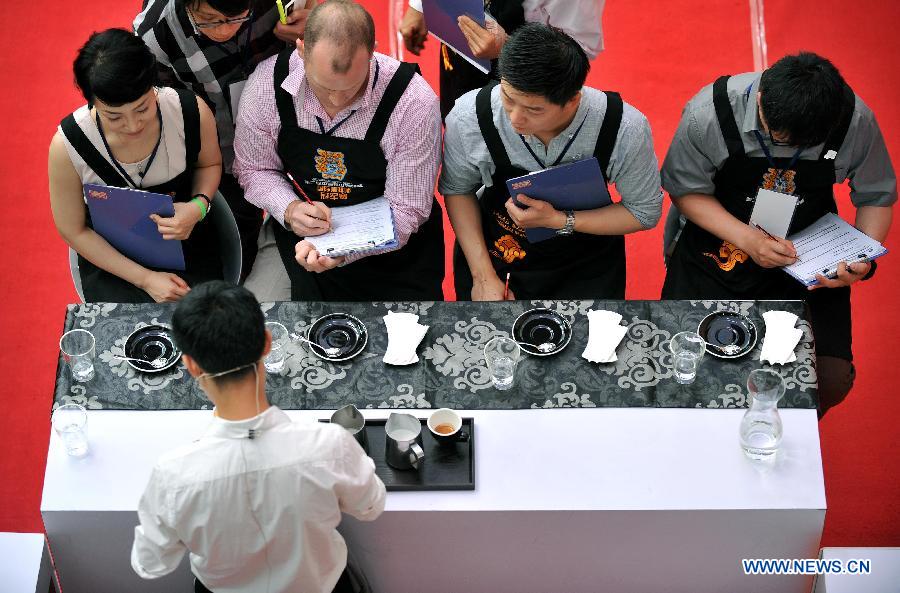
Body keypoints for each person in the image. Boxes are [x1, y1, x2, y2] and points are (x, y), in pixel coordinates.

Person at [660, 52, 896, 418]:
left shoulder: (855, 120)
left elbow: (876, 195)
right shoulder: (711, 112)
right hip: (721, 239)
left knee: (828, 379)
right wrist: (748, 239)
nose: (786, 146)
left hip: (808, 252)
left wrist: (861, 255)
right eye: (776, 135)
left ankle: (774, 429)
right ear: (759, 99)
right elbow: (686, 192)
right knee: (685, 360)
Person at [131, 281, 386, 593]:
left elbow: (151, 564)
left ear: (191, 365)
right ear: (267, 342)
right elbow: (370, 506)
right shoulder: (329, 445)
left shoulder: (174, 475)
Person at [234, 0, 445, 302]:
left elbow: (407, 209)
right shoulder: (267, 84)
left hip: (392, 248)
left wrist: (341, 247)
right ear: (301, 49)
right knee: (263, 325)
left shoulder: (413, 101)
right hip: (301, 234)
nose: (335, 101)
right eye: (322, 87)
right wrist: (290, 209)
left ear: (372, 50)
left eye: (350, 89)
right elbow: (255, 169)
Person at [441, 23, 662, 300]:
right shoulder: (469, 115)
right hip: (500, 255)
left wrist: (559, 220)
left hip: (586, 264)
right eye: (508, 99)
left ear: (572, 101)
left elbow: (644, 212)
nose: (515, 119)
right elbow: (457, 189)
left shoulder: (623, 128)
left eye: (534, 110)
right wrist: (483, 277)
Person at [135, 0, 318, 280]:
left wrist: (315, 24)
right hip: (222, 150)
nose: (226, 30)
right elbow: (167, 119)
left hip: (295, 120)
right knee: (240, 238)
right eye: (209, 19)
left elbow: (331, 17)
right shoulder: (155, 37)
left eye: (240, 19)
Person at [49, 29, 223, 303]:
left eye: (142, 108)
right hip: (114, 261)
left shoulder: (190, 111)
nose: (132, 125)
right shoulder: (67, 145)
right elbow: (73, 229)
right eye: (114, 117)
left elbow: (209, 164)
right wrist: (145, 279)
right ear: (90, 100)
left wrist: (198, 206)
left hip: (188, 241)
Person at [400, 0, 606, 119]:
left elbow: (576, 55)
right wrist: (419, 6)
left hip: (524, 91)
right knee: (457, 122)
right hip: (458, 62)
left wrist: (507, 48)